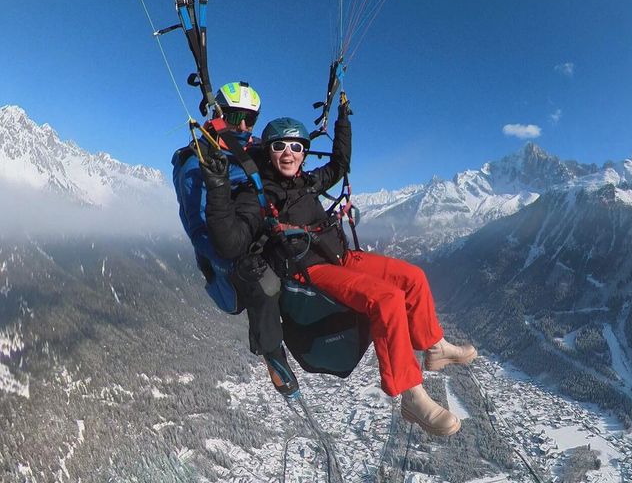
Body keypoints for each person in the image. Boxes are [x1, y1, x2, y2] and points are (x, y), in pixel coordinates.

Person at [202, 97, 477, 436]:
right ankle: (411, 395)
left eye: (296, 146)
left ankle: (433, 347)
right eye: (279, 146)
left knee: (413, 277)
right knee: (386, 299)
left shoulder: (305, 181)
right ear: (268, 151)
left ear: (304, 151)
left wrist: (342, 123)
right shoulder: (257, 194)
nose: (288, 153)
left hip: (340, 255)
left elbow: (339, 165)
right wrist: (216, 187)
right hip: (310, 269)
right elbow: (229, 242)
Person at [173, 81, 299, 397]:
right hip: (225, 258)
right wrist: (234, 256)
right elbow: (198, 232)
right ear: (218, 116)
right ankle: (272, 352)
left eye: (250, 119)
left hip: (256, 233)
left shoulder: (253, 152)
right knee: (263, 282)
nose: (243, 126)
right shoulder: (196, 165)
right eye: (233, 117)